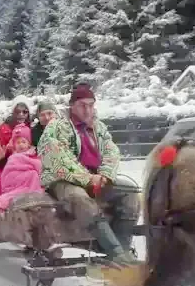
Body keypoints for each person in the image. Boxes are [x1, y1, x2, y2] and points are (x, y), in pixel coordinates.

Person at [37, 83, 138, 266]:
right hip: (63, 179)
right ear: (72, 106)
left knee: (130, 193)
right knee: (79, 198)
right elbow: (58, 157)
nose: (88, 109)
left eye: (91, 105)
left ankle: (122, 250)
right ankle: (114, 252)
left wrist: (105, 175)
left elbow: (111, 151)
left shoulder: (99, 127)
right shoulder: (57, 126)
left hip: (97, 178)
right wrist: (87, 178)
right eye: (83, 105)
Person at [0, 123, 44, 211]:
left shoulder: (32, 154)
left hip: (26, 178)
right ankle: (29, 193)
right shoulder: (14, 156)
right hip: (14, 179)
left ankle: (31, 193)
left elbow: (38, 165)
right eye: (18, 142)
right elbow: (8, 170)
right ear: (14, 145)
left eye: (23, 142)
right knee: (33, 174)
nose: (20, 145)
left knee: (33, 175)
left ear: (29, 144)